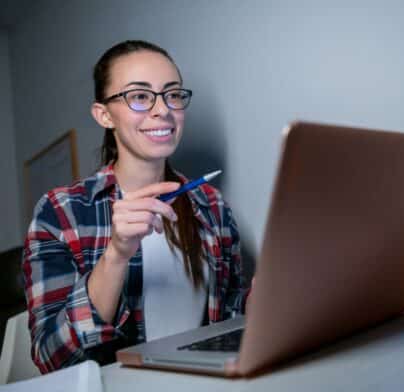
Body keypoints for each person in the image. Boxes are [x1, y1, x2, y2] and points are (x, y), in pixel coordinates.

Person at [23, 40, 248, 374]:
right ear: (104, 115)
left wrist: (263, 305)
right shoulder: (60, 211)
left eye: (172, 94)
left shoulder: (212, 206)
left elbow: (231, 315)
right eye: (140, 96)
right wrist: (116, 254)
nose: (163, 110)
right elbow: (51, 357)